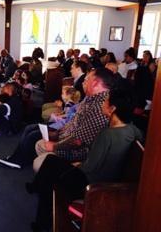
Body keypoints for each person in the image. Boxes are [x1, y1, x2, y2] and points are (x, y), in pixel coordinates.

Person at [27, 88, 142, 231]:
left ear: (112, 108)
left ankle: (41, 223)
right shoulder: (134, 130)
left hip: (93, 184)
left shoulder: (107, 134)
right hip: (108, 179)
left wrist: (77, 164)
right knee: (51, 162)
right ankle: (36, 187)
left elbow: (90, 168)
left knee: (51, 173)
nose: (102, 104)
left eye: (106, 102)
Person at [0, 68, 115, 169]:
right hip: (66, 135)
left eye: (86, 79)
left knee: (33, 135)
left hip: (76, 150)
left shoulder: (100, 105)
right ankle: (17, 158)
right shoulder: (91, 98)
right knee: (31, 129)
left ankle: (20, 161)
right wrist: (57, 132)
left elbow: (78, 141)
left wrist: (55, 145)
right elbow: (74, 123)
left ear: (95, 83)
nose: (84, 82)